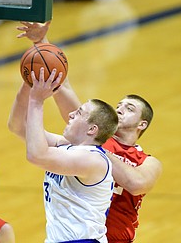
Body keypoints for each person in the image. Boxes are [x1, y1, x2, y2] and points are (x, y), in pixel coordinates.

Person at [16, 21, 162, 243]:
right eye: (119, 104)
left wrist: (98, 150)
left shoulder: (147, 161)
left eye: (130, 108)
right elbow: (62, 86)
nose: (120, 108)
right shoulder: (89, 139)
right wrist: (41, 43)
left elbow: (135, 183)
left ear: (142, 124)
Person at [8, 67, 118, 242]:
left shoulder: (94, 159)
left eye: (79, 112)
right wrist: (29, 83)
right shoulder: (68, 147)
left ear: (92, 129)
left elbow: (37, 155)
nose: (71, 114)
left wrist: (37, 101)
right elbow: (18, 126)